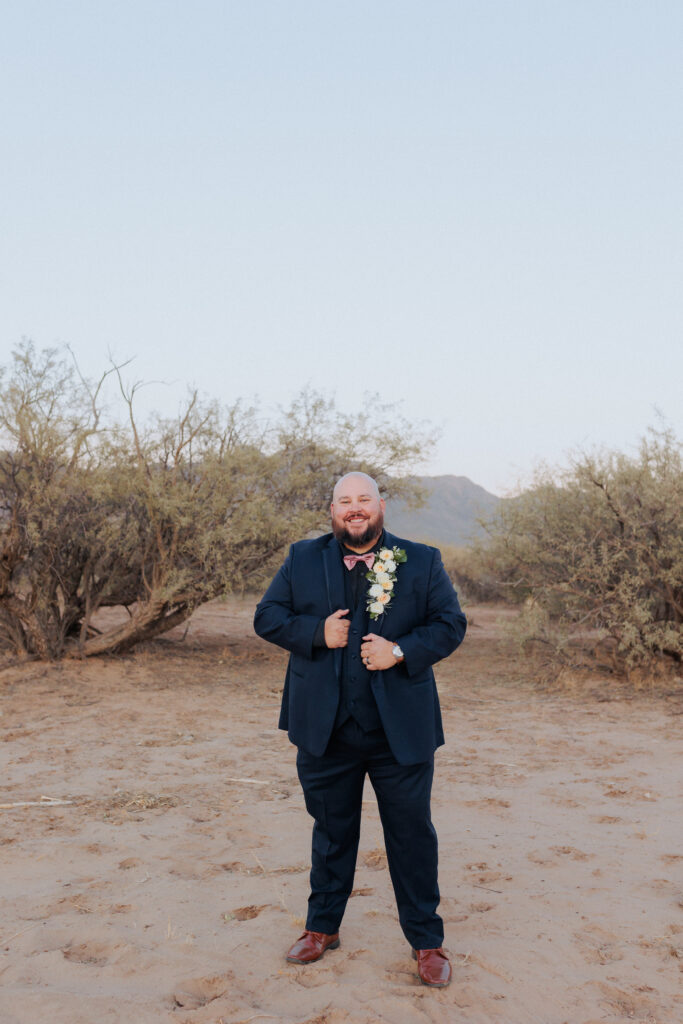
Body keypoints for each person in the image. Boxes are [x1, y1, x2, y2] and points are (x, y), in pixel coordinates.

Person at [253, 471, 466, 987]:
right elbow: (267, 616)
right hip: (325, 729)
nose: (355, 508)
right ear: (332, 510)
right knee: (331, 831)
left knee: (412, 836)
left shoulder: (422, 560)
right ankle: (322, 928)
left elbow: (450, 624)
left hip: (400, 733)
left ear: (380, 505)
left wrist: (400, 651)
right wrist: (316, 632)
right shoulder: (302, 558)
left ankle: (427, 941)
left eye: (364, 499)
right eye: (345, 500)